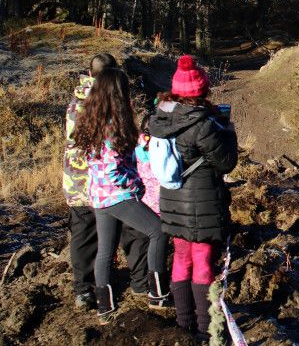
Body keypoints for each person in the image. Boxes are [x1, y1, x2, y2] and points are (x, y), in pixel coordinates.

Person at [148, 55, 238, 341]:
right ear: (202, 90)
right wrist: (229, 131)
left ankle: (183, 323)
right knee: (202, 260)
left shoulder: (160, 117)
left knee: (181, 258)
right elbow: (226, 163)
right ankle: (204, 327)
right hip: (202, 201)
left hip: (172, 199)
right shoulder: (205, 124)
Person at [72, 68, 169, 324]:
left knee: (105, 249)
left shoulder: (90, 119)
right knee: (157, 230)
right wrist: (134, 186)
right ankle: (158, 293)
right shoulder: (113, 125)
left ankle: (105, 309)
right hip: (118, 195)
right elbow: (114, 167)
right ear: (119, 93)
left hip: (98, 196)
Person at [63, 53, 149, 309]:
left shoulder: (76, 100)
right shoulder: (110, 97)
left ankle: (85, 289)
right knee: (133, 229)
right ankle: (140, 281)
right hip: (112, 183)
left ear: (89, 73)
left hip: (78, 181)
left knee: (84, 234)